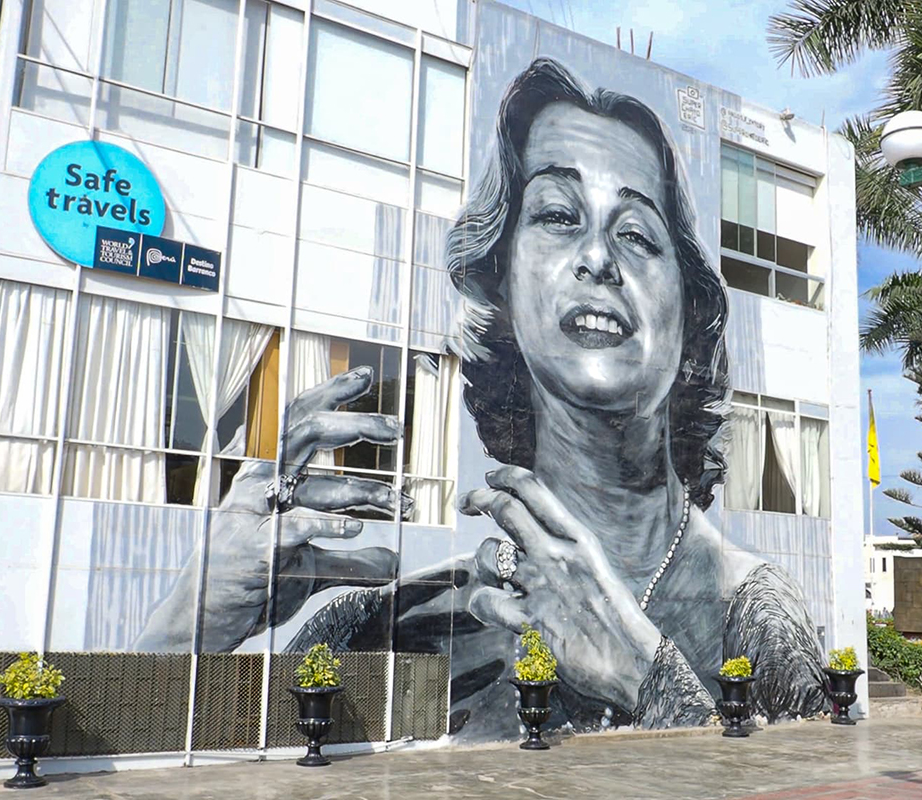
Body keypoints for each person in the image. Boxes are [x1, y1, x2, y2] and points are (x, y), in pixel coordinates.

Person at [136, 57, 827, 738]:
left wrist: (646, 679)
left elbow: (811, 777)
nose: (598, 258)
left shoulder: (752, 615)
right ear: (502, 279)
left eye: (637, 234)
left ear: (690, 309)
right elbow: (135, 755)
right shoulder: (391, 623)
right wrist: (189, 626)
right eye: (558, 215)